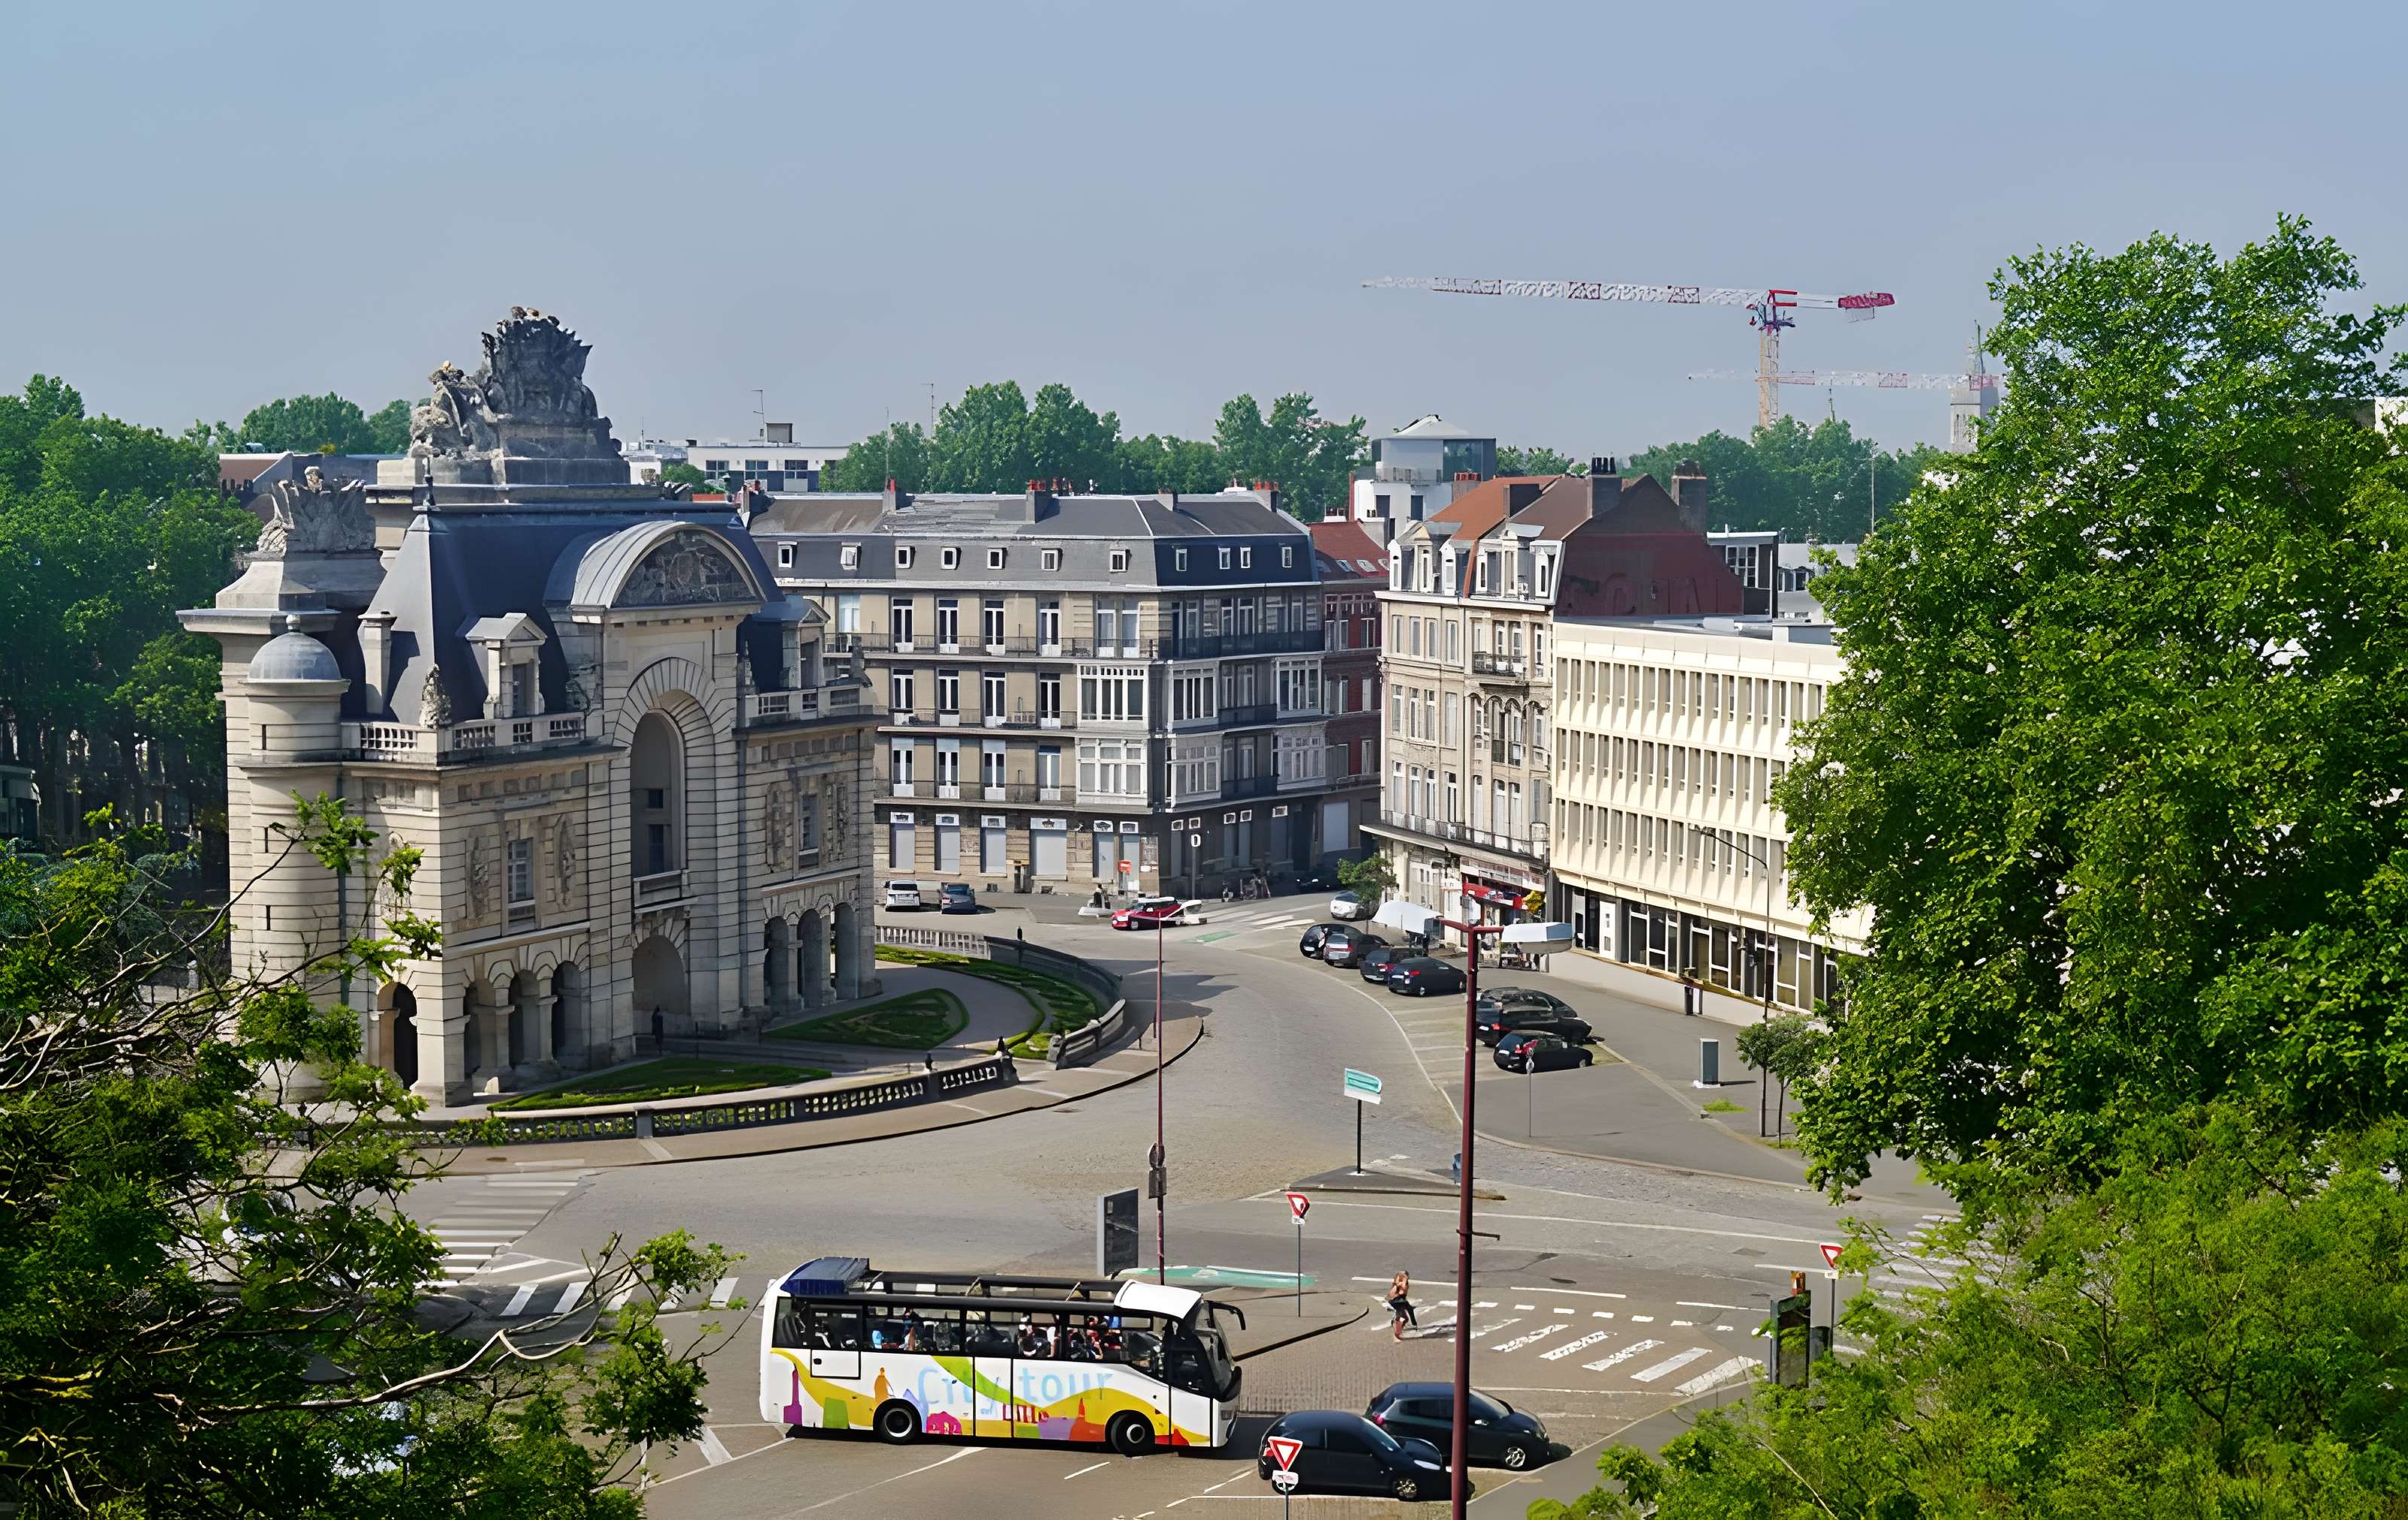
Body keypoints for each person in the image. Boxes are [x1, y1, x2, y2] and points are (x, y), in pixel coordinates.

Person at [1388, 1271, 1417, 1341]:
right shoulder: (1401, 1284)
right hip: (1396, 1301)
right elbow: (1401, 1293)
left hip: (1396, 1302)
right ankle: (1398, 1330)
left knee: (1404, 1317)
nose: (1407, 1277)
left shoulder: (1401, 1283)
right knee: (1408, 1309)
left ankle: (1397, 1325)